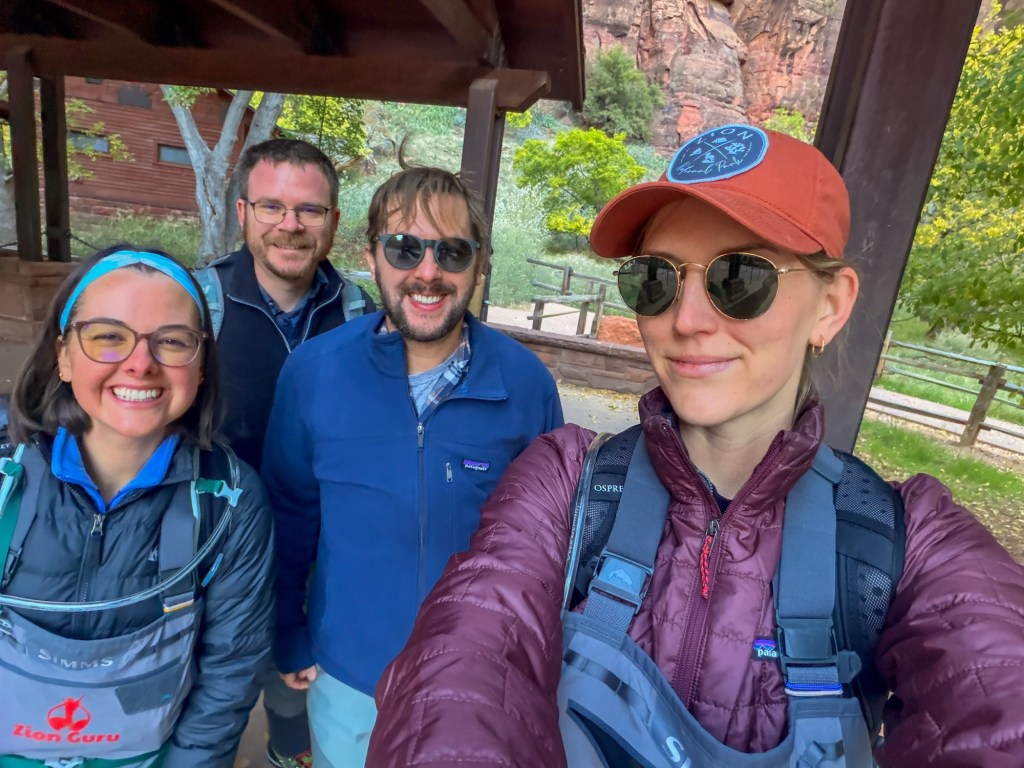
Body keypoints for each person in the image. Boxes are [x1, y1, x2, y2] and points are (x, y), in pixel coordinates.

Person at [366, 125, 1024, 767]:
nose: (684, 319)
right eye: (656, 278)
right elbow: (464, 665)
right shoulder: (566, 480)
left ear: (829, 306)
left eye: (740, 278)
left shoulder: (905, 539)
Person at [261, 160, 565, 767]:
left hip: (479, 687)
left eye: (452, 252)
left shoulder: (526, 384)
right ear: (371, 258)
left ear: (479, 264)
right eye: (405, 248)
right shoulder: (314, 373)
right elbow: (289, 515)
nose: (428, 272)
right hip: (350, 676)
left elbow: (551, 545)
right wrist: (288, 633)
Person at [0, 246, 273, 768]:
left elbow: (230, 673)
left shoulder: (228, 502)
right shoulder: (4, 482)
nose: (141, 363)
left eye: (172, 341)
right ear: (63, 355)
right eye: (108, 336)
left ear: (201, 365)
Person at [194, 138, 375, 768]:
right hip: (212, 548)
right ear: (242, 212)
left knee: (295, 681)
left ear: (333, 221)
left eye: (309, 210)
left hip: (317, 551)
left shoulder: (361, 315)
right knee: (202, 692)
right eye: (271, 206)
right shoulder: (199, 305)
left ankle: (285, 752)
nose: (290, 224)